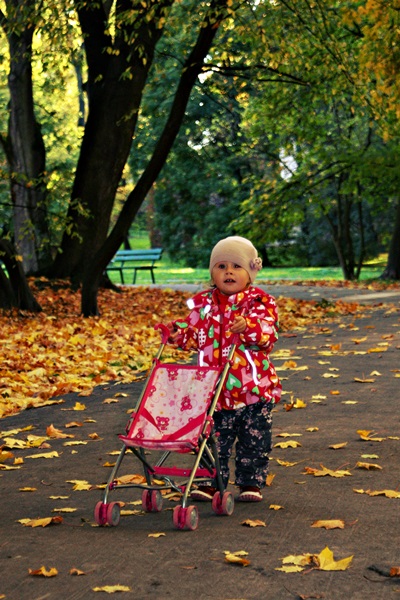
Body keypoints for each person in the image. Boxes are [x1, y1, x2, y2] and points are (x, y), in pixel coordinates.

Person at [167, 236, 281, 502]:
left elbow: (268, 334)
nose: (228, 271)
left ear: (250, 273)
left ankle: (250, 482)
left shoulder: (259, 303)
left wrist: (249, 327)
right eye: (221, 266)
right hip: (213, 390)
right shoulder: (203, 305)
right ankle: (209, 482)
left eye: (236, 266)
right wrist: (178, 334)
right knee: (212, 439)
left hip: (253, 388)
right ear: (212, 274)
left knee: (254, 440)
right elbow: (194, 335)